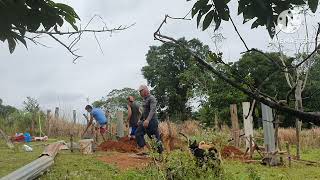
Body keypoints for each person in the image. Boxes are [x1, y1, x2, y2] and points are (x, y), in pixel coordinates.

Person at [136, 85, 163, 154]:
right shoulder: (145, 99)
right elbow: (144, 112)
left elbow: (152, 110)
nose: (140, 93)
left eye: (140, 92)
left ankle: (161, 154)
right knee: (138, 133)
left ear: (145, 91)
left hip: (152, 122)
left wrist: (147, 120)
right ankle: (143, 149)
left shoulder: (152, 98)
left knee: (154, 138)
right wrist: (140, 119)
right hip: (145, 121)